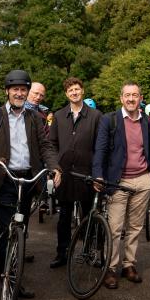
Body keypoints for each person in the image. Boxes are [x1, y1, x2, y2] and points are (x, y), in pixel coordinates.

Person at [0, 70, 62, 298]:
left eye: (23, 90)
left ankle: (14, 276)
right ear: (7, 92)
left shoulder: (34, 119)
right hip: (4, 180)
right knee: (7, 231)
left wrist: (55, 167)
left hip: (26, 180)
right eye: (15, 89)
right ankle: (7, 280)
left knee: (20, 230)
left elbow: (45, 147)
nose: (19, 93)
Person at [92, 82, 150, 288]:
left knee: (135, 227)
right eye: (127, 95)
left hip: (143, 179)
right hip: (118, 181)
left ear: (140, 97)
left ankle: (129, 265)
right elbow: (100, 150)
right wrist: (98, 175)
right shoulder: (109, 120)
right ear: (121, 98)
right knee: (115, 227)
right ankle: (110, 267)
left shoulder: (147, 121)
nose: (131, 99)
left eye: (135, 95)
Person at [47, 77, 102, 268]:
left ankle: (91, 252)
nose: (74, 93)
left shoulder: (96, 116)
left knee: (90, 216)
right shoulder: (59, 115)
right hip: (65, 173)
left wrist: (98, 173)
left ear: (83, 91)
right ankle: (62, 253)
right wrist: (55, 167)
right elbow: (51, 144)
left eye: (77, 89)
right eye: (71, 90)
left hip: (87, 173)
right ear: (66, 94)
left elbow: (100, 147)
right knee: (64, 217)